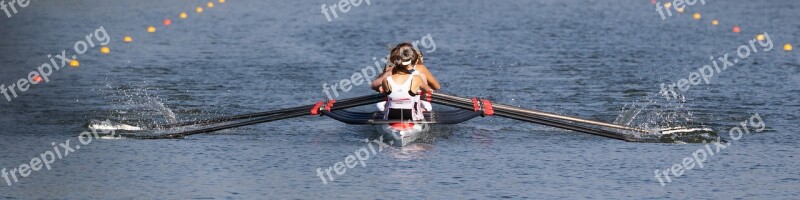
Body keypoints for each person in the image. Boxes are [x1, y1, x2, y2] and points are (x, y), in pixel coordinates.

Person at [372, 43, 440, 111]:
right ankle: (421, 110)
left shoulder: (390, 70)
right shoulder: (420, 71)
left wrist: (382, 87)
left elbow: (373, 86)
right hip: (414, 106)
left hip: (392, 107)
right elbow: (436, 87)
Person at [380, 45, 429, 120]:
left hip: (391, 116)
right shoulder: (417, 78)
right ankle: (418, 114)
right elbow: (427, 89)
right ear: (409, 65)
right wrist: (419, 92)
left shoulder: (386, 80)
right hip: (410, 116)